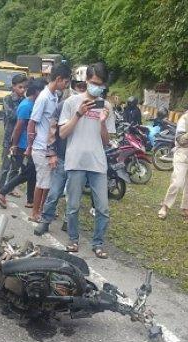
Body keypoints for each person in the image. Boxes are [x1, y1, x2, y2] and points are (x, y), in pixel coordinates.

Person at [58, 63, 114, 259]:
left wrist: (103, 122)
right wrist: (79, 114)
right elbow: (63, 133)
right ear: (86, 81)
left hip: (98, 162)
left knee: (103, 208)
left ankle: (98, 243)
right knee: (73, 205)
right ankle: (73, 240)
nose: (96, 87)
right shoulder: (72, 102)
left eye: (100, 84)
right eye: (93, 82)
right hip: (75, 160)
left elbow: (107, 142)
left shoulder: (107, 107)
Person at [34, 78, 88, 236]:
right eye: (79, 86)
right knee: (54, 192)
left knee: (74, 196)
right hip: (63, 157)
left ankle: (68, 222)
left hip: (79, 160)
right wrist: (51, 153)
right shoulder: (63, 105)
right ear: (73, 87)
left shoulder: (93, 109)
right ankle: (45, 221)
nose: (81, 90)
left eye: (84, 87)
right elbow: (52, 130)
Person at [27, 64, 71, 220]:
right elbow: (32, 122)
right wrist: (30, 145)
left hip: (49, 147)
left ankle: (43, 210)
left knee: (47, 183)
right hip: (41, 148)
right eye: (65, 82)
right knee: (42, 182)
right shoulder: (44, 97)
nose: (66, 86)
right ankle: (35, 213)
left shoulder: (54, 97)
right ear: (58, 79)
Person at [158, 93, 188, 220]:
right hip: (183, 153)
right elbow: (180, 140)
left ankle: (186, 209)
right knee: (177, 182)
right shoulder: (185, 118)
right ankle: (165, 206)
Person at [0, 81, 40, 211]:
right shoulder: (25, 105)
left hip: (28, 144)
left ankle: (31, 200)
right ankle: (2, 191)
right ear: (37, 91)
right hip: (22, 144)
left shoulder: (32, 104)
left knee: (31, 172)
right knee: (25, 172)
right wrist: (14, 145)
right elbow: (18, 127)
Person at [0, 74, 28, 194]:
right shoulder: (7, 99)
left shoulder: (25, 100)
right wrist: (23, 111)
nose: (23, 90)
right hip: (9, 137)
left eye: (24, 87)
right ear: (13, 86)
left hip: (20, 138)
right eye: (20, 87)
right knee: (6, 165)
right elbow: (11, 115)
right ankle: (0, 187)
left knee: (16, 166)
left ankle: (9, 188)